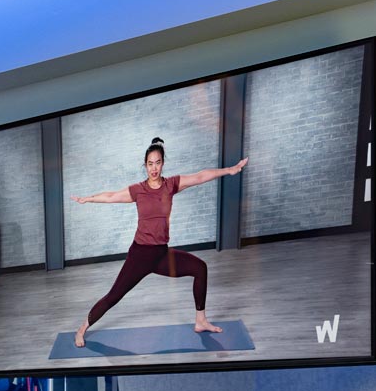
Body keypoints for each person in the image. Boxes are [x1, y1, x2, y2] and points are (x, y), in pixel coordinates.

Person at [70, 137, 248, 347]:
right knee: (114, 296)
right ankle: (81, 329)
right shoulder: (138, 190)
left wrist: (230, 170)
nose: (154, 168)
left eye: (158, 162)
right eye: (150, 163)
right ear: (144, 165)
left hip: (162, 255)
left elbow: (200, 176)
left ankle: (200, 320)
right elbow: (110, 196)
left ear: (163, 163)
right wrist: (88, 199)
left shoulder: (171, 185)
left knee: (200, 268)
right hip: (140, 256)